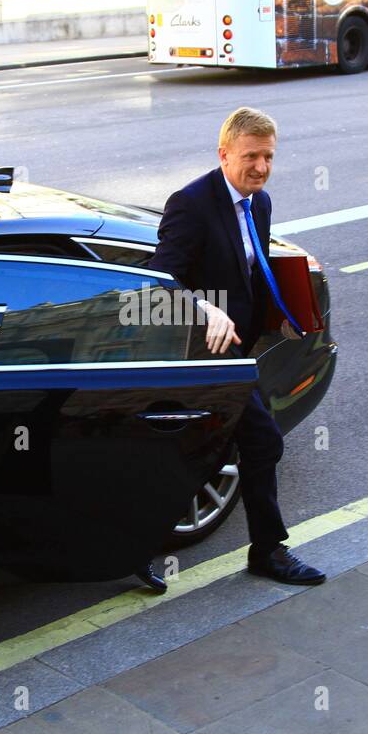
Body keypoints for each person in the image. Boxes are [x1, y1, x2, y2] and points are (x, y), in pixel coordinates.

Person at [146, 107, 326, 588]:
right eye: (251, 157)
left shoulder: (258, 201)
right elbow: (162, 281)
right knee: (262, 440)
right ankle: (269, 551)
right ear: (224, 154)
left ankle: (136, 543)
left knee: (206, 448)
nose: (262, 168)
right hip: (203, 353)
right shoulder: (190, 204)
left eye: (269, 157)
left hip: (241, 350)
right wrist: (207, 309)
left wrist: (283, 318)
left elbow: (253, 272)